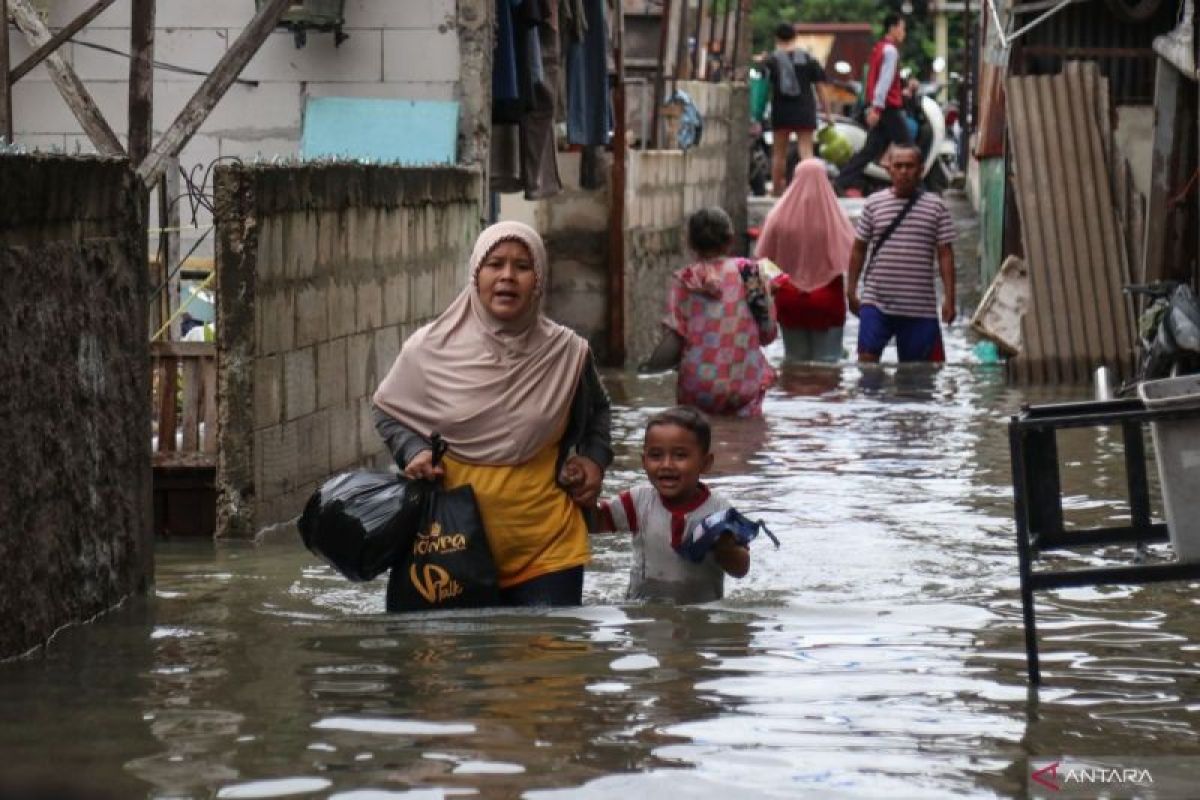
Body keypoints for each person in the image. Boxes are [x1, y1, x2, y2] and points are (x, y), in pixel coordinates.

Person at [372, 221, 613, 608]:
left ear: (539, 278)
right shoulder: (428, 350)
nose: (507, 276)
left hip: (547, 549)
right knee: (455, 666)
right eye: (495, 264)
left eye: (522, 266)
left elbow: (599, 412)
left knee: (556, 665)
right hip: (450, 547)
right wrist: (413, 451)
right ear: (475, 275)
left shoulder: (568, 354)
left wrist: (594, 460)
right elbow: (388, 411)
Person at [594, 406, 749, 603]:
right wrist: (587, 494)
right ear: (643, 461)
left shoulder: (719, 511)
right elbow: (593, 523)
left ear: (705, 463)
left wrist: (726, 548)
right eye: (656, 455)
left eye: (680, 455)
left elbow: (741, 569)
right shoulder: (637, 502)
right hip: (643, 615)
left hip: (701, 616)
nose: (666, 464)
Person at [641, 207, 778, 417]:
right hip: (744, 382)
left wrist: (650, 366)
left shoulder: (684, 279)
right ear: (730, 239)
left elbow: (676, 338)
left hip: (697, 385)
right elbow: (767, 333)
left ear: (690, 243)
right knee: (747, 442)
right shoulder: (751, 272)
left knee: (699, 439)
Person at [846, 144, 957, 363]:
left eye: (909, 166)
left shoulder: (936, 207)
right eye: (898, 166)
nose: (904, 171)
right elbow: (859, 249)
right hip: (876, 302)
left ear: (921, 170)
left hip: (919, 307)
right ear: (889, 170)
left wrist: (950, 299)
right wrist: (851, 291)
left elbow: (945, 255)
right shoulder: (873, 204)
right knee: (867, 368)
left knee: (918, 377)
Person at [754, 158, 855, 362]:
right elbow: (852, 256)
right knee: (828, 363)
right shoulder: (834, 216)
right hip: (827, 298)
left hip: (790, 297)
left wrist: (782, 284)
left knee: (794, 362)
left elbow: (762, 262)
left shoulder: (777, 216)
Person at [833, 13, 913, 195]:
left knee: (870, 151)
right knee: (909, 147)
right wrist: (877, 108)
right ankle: (916, 187)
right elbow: (884, 82)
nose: (904, 32)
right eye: (902, 28)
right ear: (893, 28)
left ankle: (841, 181)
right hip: (888, 108)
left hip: (882, 106)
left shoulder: (879, 48)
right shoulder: (890, 51)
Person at [761, 22, 830, 196]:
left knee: (779, 154)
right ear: (795, 36)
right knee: (806, 151)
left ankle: (777, 191)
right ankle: (809, 190)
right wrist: (827, 113)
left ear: (777, 38)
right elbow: (821, 88)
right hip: (804, 109)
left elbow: (763, 89)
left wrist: (759, 111)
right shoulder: (808, 59)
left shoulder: (771, 60)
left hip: (781, 110)